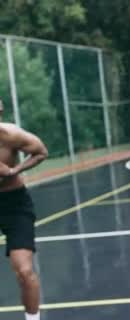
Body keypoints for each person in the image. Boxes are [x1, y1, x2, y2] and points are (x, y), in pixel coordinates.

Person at [0, 99, 48, 320]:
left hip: (14, 204)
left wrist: (14, 170)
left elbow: (41, 152)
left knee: (25, 272)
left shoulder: (11, 136)